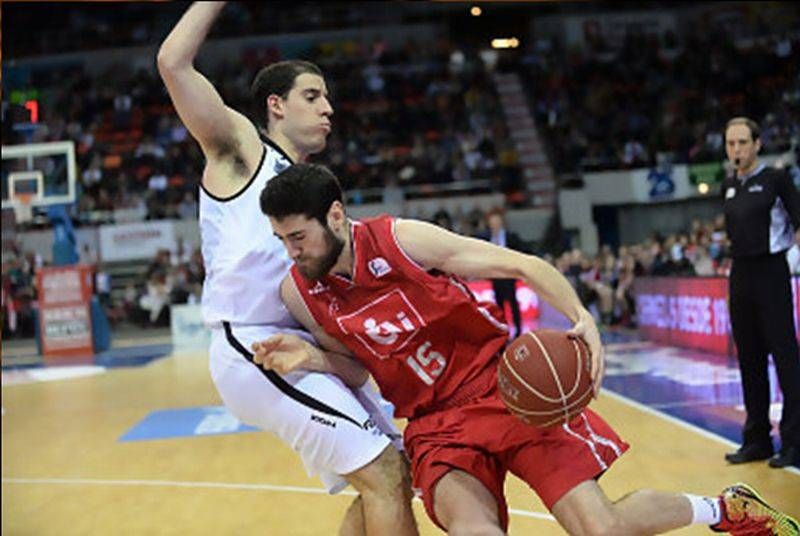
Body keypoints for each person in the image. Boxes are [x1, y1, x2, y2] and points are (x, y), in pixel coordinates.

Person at [256, 163, 799, 536]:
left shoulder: (400, 240)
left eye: (297, 237)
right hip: (435, 423)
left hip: (503, 389)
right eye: (282, 240)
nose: (291, 252)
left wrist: (584, 317)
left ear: (333, 216)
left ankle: (724, 508)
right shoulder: (301, 290)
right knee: (474, 530)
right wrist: (314, 359)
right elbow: (356, 370)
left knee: (601, 528)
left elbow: (523, 265)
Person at [156, 4, 418, 535]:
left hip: (301, 344)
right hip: (252, 344)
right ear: (275, 105)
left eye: (328, 98)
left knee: (397, 469)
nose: (328, 109)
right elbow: (173, 62)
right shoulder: (242, 149)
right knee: (384, 471)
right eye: (312, 96)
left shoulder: (310, 190)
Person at [721, 116, 800, 469]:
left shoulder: (777, 180)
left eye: (741, 143)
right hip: (741, 274)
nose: (735, 150)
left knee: (785, 359)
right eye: (730, 144)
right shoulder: (729, 186)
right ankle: (757, 440)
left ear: (757, 144)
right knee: (749, 360)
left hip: (771, 271)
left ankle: (795, 443)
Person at [476, 208, 526, 337]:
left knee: (513, 302)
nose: (495, 224)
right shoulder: (486, 238)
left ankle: (518, 330)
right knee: (499, 304)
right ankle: (504, 330)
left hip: (509, 275)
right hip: (495, 276)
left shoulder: (511, 237)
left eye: (497, 221)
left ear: (501, 222)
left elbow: (521, 251)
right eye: (492, 222)